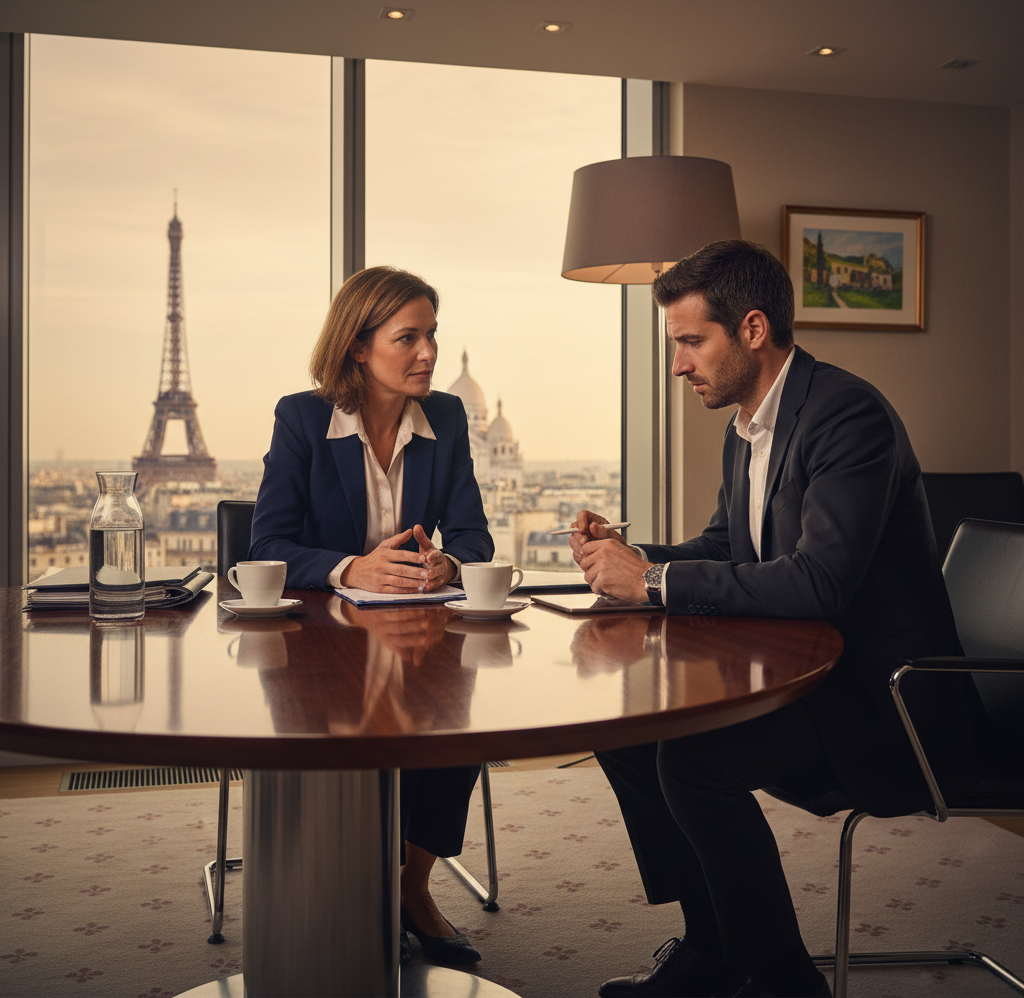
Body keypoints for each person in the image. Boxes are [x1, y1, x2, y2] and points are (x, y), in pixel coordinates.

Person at [569, 240, 980, 998]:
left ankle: (784, 980)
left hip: (887, 706)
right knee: (630, 732)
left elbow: (818, 583)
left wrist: (653, 580)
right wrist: (629, 560)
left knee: (694, 761)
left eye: (692, 342)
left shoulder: (848, 415)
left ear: (753, 329)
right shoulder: (752, 424)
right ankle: (713, 952)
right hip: (816, 685)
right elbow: (733, 545)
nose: (677, 365)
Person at [250, 265, 493, 966]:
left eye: (432, 335)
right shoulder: (301, 416)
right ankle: (342, 886)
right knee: (354, 725)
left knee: (457, 719)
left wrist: (447, 564)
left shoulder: (445, 418)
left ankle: (412, 887)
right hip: (320, 642)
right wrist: (349, 568)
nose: (428, 353)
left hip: (415, 633)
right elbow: (266, 543)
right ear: (359, 347)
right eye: (408, 337)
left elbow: (473, 537)